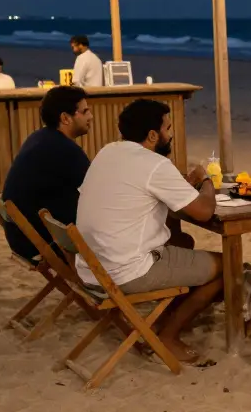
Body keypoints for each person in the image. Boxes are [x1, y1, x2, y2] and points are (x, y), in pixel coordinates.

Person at [75, 99, 222, 363]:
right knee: (227, 265)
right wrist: (206, 180)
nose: (172, 133)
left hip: (91, 268)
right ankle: (168, 335)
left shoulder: (107, 152)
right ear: (153, 135)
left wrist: (180, 185)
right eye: (168, 127)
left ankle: (164, 318)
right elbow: (204, 212)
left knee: (182, 242)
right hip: (126, 272)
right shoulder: (154, 165)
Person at [1, 86, 92, 259]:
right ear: (65, 118)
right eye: (85, 111)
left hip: (21, 237)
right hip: (42, 243)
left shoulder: (39, 137)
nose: (90, 116)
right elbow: (98, 191)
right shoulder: (65, 150)